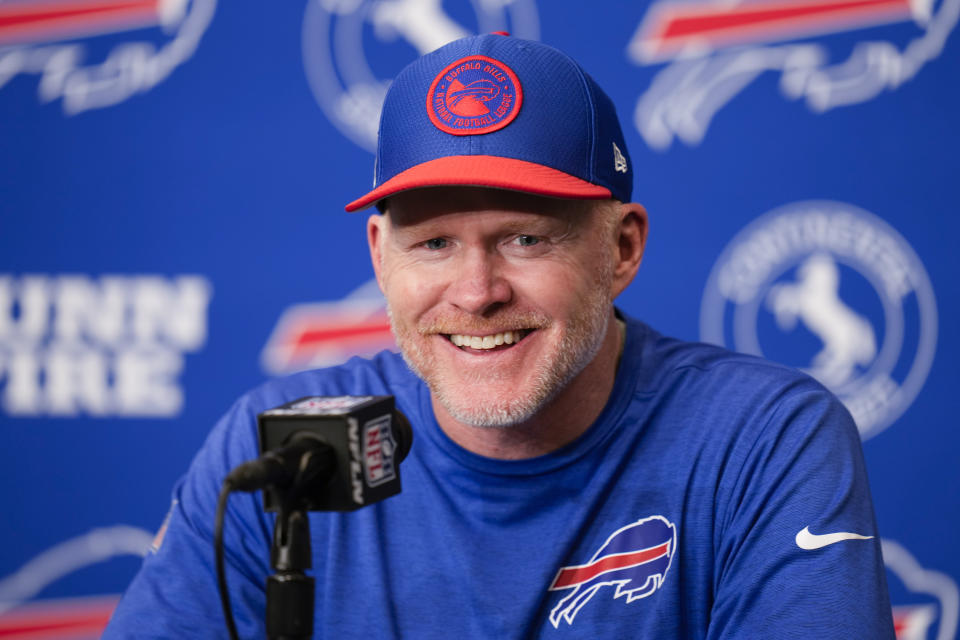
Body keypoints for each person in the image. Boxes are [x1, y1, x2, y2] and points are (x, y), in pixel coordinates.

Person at [104, 33, 895, 638]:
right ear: (380, 256)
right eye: (434, 244)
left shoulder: (760, 439)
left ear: (621, 249)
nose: (477, 294)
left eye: (526, 238)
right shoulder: (283, 451)